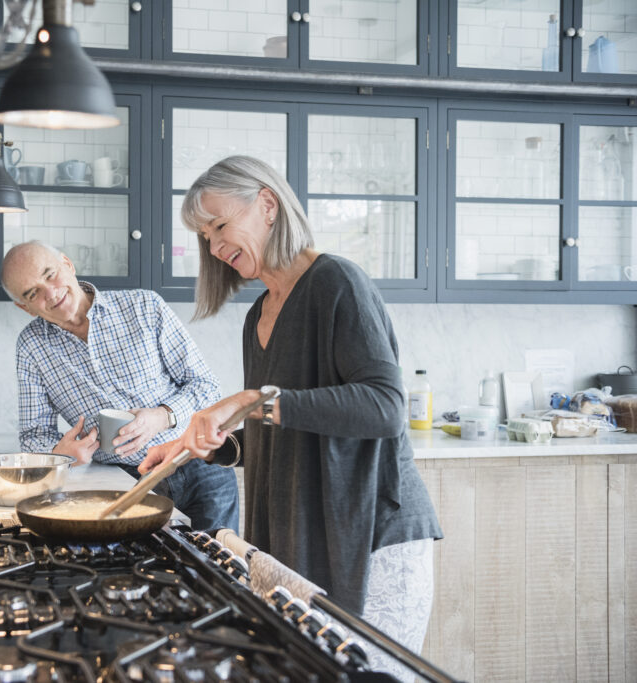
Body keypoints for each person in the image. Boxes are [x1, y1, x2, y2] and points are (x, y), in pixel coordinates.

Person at [138, 156, 442, 674]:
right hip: (309, 531)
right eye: (205, 236)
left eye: (219, 226)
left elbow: (386, 406)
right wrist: (214, 444)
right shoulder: (259, 313)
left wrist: (252, 400)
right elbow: (280, 426)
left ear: (267, 204)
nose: (214, 247)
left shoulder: (336, 282)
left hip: (371, 534)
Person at [1, 240, 240, 532]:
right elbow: (33, 435)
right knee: (147, 572)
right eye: (32, 293)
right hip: (126, 481)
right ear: (23, 307)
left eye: (50, 274)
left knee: (217, 566)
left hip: (200, 463)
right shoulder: (31, 347)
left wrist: (162, 415)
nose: (50, 293)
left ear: (67, 263)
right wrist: (60, 454)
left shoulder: (144, 306)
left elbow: (206, 387)